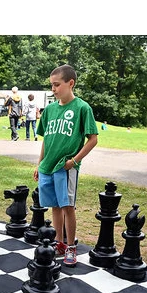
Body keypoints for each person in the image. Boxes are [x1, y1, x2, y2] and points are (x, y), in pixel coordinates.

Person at [33, 64, 99, 267]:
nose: (53, 89)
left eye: (56, 85)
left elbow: (93, 139)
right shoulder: (50, 110)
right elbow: (46, 139)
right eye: (51, 85)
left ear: (70, 83)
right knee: (54, 206)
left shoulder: (82, 108)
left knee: (67, 206)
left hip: (65, 167)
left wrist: (74, 161)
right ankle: (58, 243)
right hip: (47, 167)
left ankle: (71, 246)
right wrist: (39, 163)